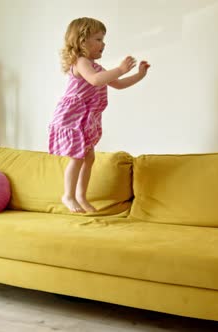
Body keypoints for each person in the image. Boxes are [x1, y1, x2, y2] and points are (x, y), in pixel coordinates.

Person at [48, 17, 150, 213]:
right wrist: (119, 69)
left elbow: (118, 84)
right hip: (72, 116)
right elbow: (95, 81)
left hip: (85, 118)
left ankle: (81, 196)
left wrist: (139, 75)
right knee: (78, 157)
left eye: (103, 39)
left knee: (89, 158)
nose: (104, 44)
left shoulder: (97, 67)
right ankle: (68, 195)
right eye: (98, 39)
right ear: (82, 41)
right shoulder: (81, 62)